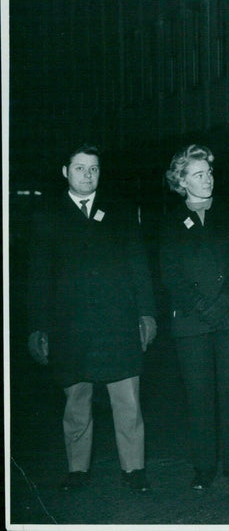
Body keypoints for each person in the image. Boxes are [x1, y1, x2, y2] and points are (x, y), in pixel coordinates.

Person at [27, 144, 158, 493]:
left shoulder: (120, 209)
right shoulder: (47, 214)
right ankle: (77, 470)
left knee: (127, 400)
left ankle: (134, 470)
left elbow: (139, 265)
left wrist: (146, 313)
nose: (88, 175)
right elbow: (38, 276)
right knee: (76, 402)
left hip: (118, 323)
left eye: (94, 169)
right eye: (81, 168)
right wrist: (38, 327)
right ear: (65, 171)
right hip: (69, 327)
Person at [159, 145, 229, 493]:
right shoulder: (169, 222)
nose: (207, 179)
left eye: (210, 173)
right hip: (191, 319)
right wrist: (201, 305)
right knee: (198, 395)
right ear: (181, 181)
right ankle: (203, 468)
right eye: (199, 174)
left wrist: (223, 303)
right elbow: (169, 273)